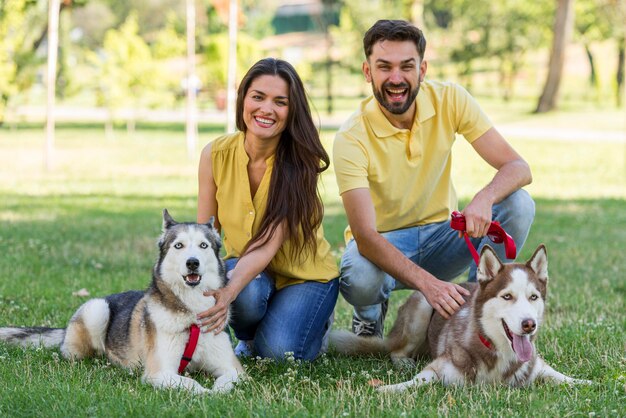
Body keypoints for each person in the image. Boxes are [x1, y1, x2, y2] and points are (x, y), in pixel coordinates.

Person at [333, 20, 535, 338]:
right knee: (358, 274)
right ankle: (368, 316)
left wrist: (485, 197)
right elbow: (364, 235)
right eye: (384, 67)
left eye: (407, 66)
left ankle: (478, 308)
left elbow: (518, 167)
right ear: (367, 72)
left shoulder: (450, 99)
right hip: (382, 245)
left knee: (519, 204)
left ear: (423, 69)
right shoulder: (351, 137)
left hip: (443, 236)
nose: (396, 78)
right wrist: (430, 286)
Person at [196, 58, 339, 361]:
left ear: (292, 110)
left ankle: (316, 323)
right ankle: (248, 339)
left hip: (306, 278)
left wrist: (226, 294)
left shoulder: (302, 163)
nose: (266, 109)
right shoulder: (214, 154)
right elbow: (205, 236)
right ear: (244, 99)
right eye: (258, 97)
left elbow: (266, 246)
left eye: (280, 102)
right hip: (249, 274)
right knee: (246, 295)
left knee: (278, 353)